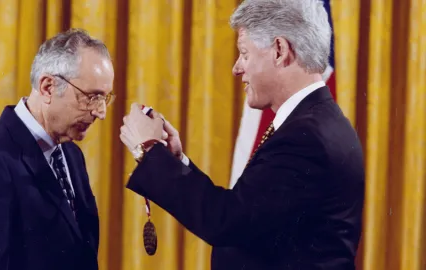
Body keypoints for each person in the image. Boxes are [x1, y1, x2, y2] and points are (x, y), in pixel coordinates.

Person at [120, 0, 364, 269]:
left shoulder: (306, 136)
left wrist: (149, 148)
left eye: (245, 54)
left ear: (280, 50)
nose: (237, 67)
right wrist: (175, 161)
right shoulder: (316, 121)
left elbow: (227, 222)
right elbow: (249, 211)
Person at [0, 28, 114, 270]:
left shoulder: (71, 155)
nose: (101, 112)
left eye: (105, 98)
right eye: (92, 97)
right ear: (47, 87)